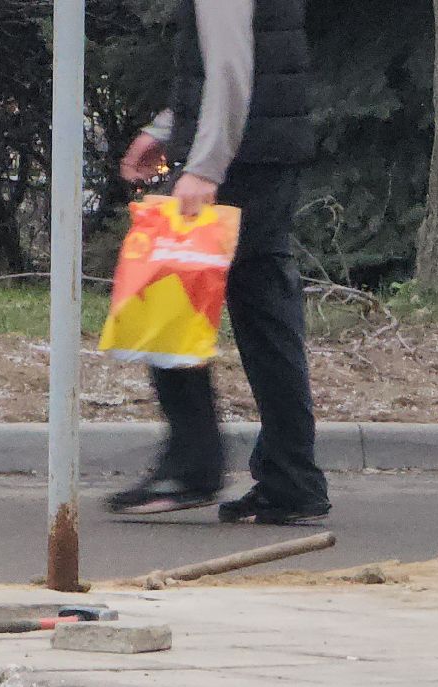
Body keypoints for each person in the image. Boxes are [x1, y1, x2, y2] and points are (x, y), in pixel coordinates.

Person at [108, 0, 330, 525]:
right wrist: (165, 130)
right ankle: (291, 479)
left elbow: (230, 66)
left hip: (238, 162)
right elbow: (232, 58)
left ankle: (193, 465)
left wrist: (205, 167)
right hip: (266, 155)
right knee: (266, 320)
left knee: (166, 296)